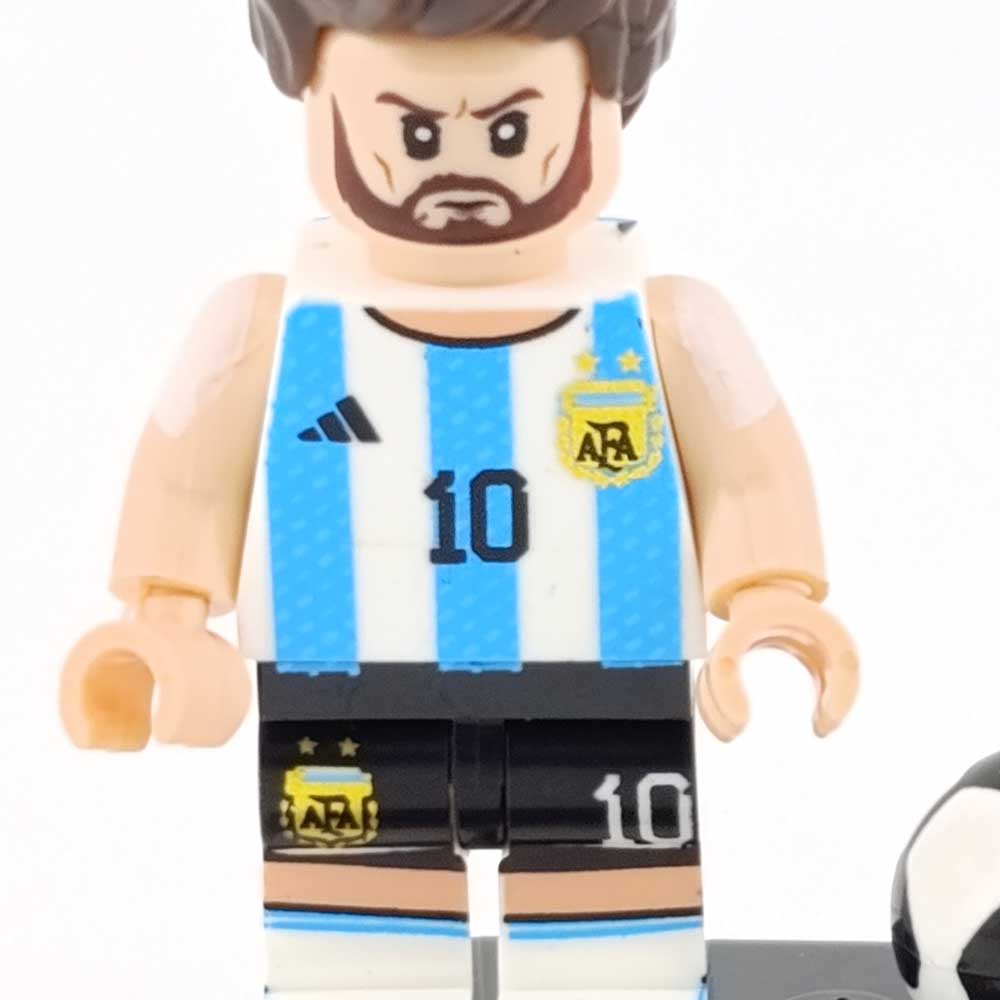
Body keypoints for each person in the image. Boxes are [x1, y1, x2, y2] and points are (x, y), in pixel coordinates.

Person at [60, 2, 859, 997]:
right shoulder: (266, 324)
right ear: (314, 98)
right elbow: (187, 478)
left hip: (606, 688)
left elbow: (746, 474)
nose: (461, 171)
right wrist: (164, 618)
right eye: (415, 133)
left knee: (613, 950)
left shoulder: (663, 321)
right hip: (346, 690)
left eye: (511, 131)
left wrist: (773, 595)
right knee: (359, 955)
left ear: (606, 100)